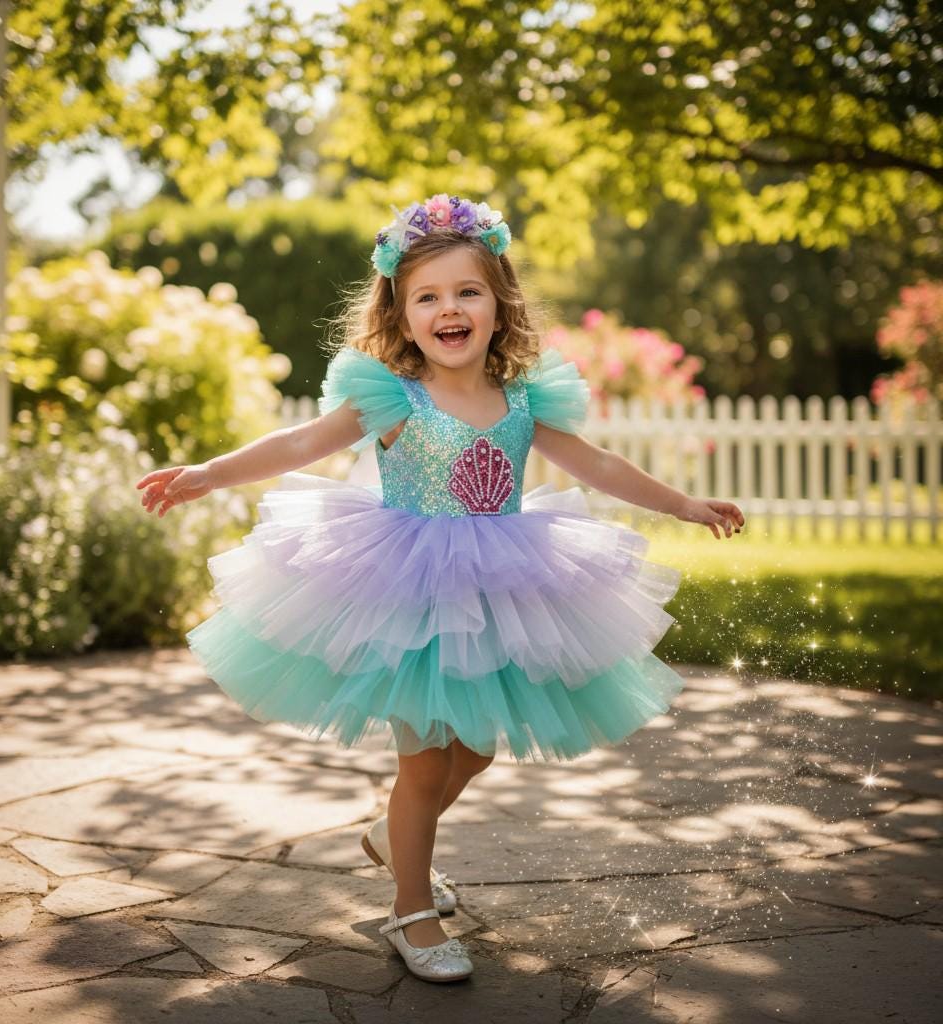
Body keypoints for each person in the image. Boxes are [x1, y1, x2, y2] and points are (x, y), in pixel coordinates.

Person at [136, 193, 745, 984]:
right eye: (427, 296)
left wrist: (683, 505)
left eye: (467, 292)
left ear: (499, 305)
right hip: (409, 590)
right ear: (402, 311)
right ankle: (411, 911)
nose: (447, 308)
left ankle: (394, 842)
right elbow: (298, 443)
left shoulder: (524, 400)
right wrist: (206, 476)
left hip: (498, 586)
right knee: (422, 765)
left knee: (480, 744)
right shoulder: (395, 397)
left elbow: (595, 464)